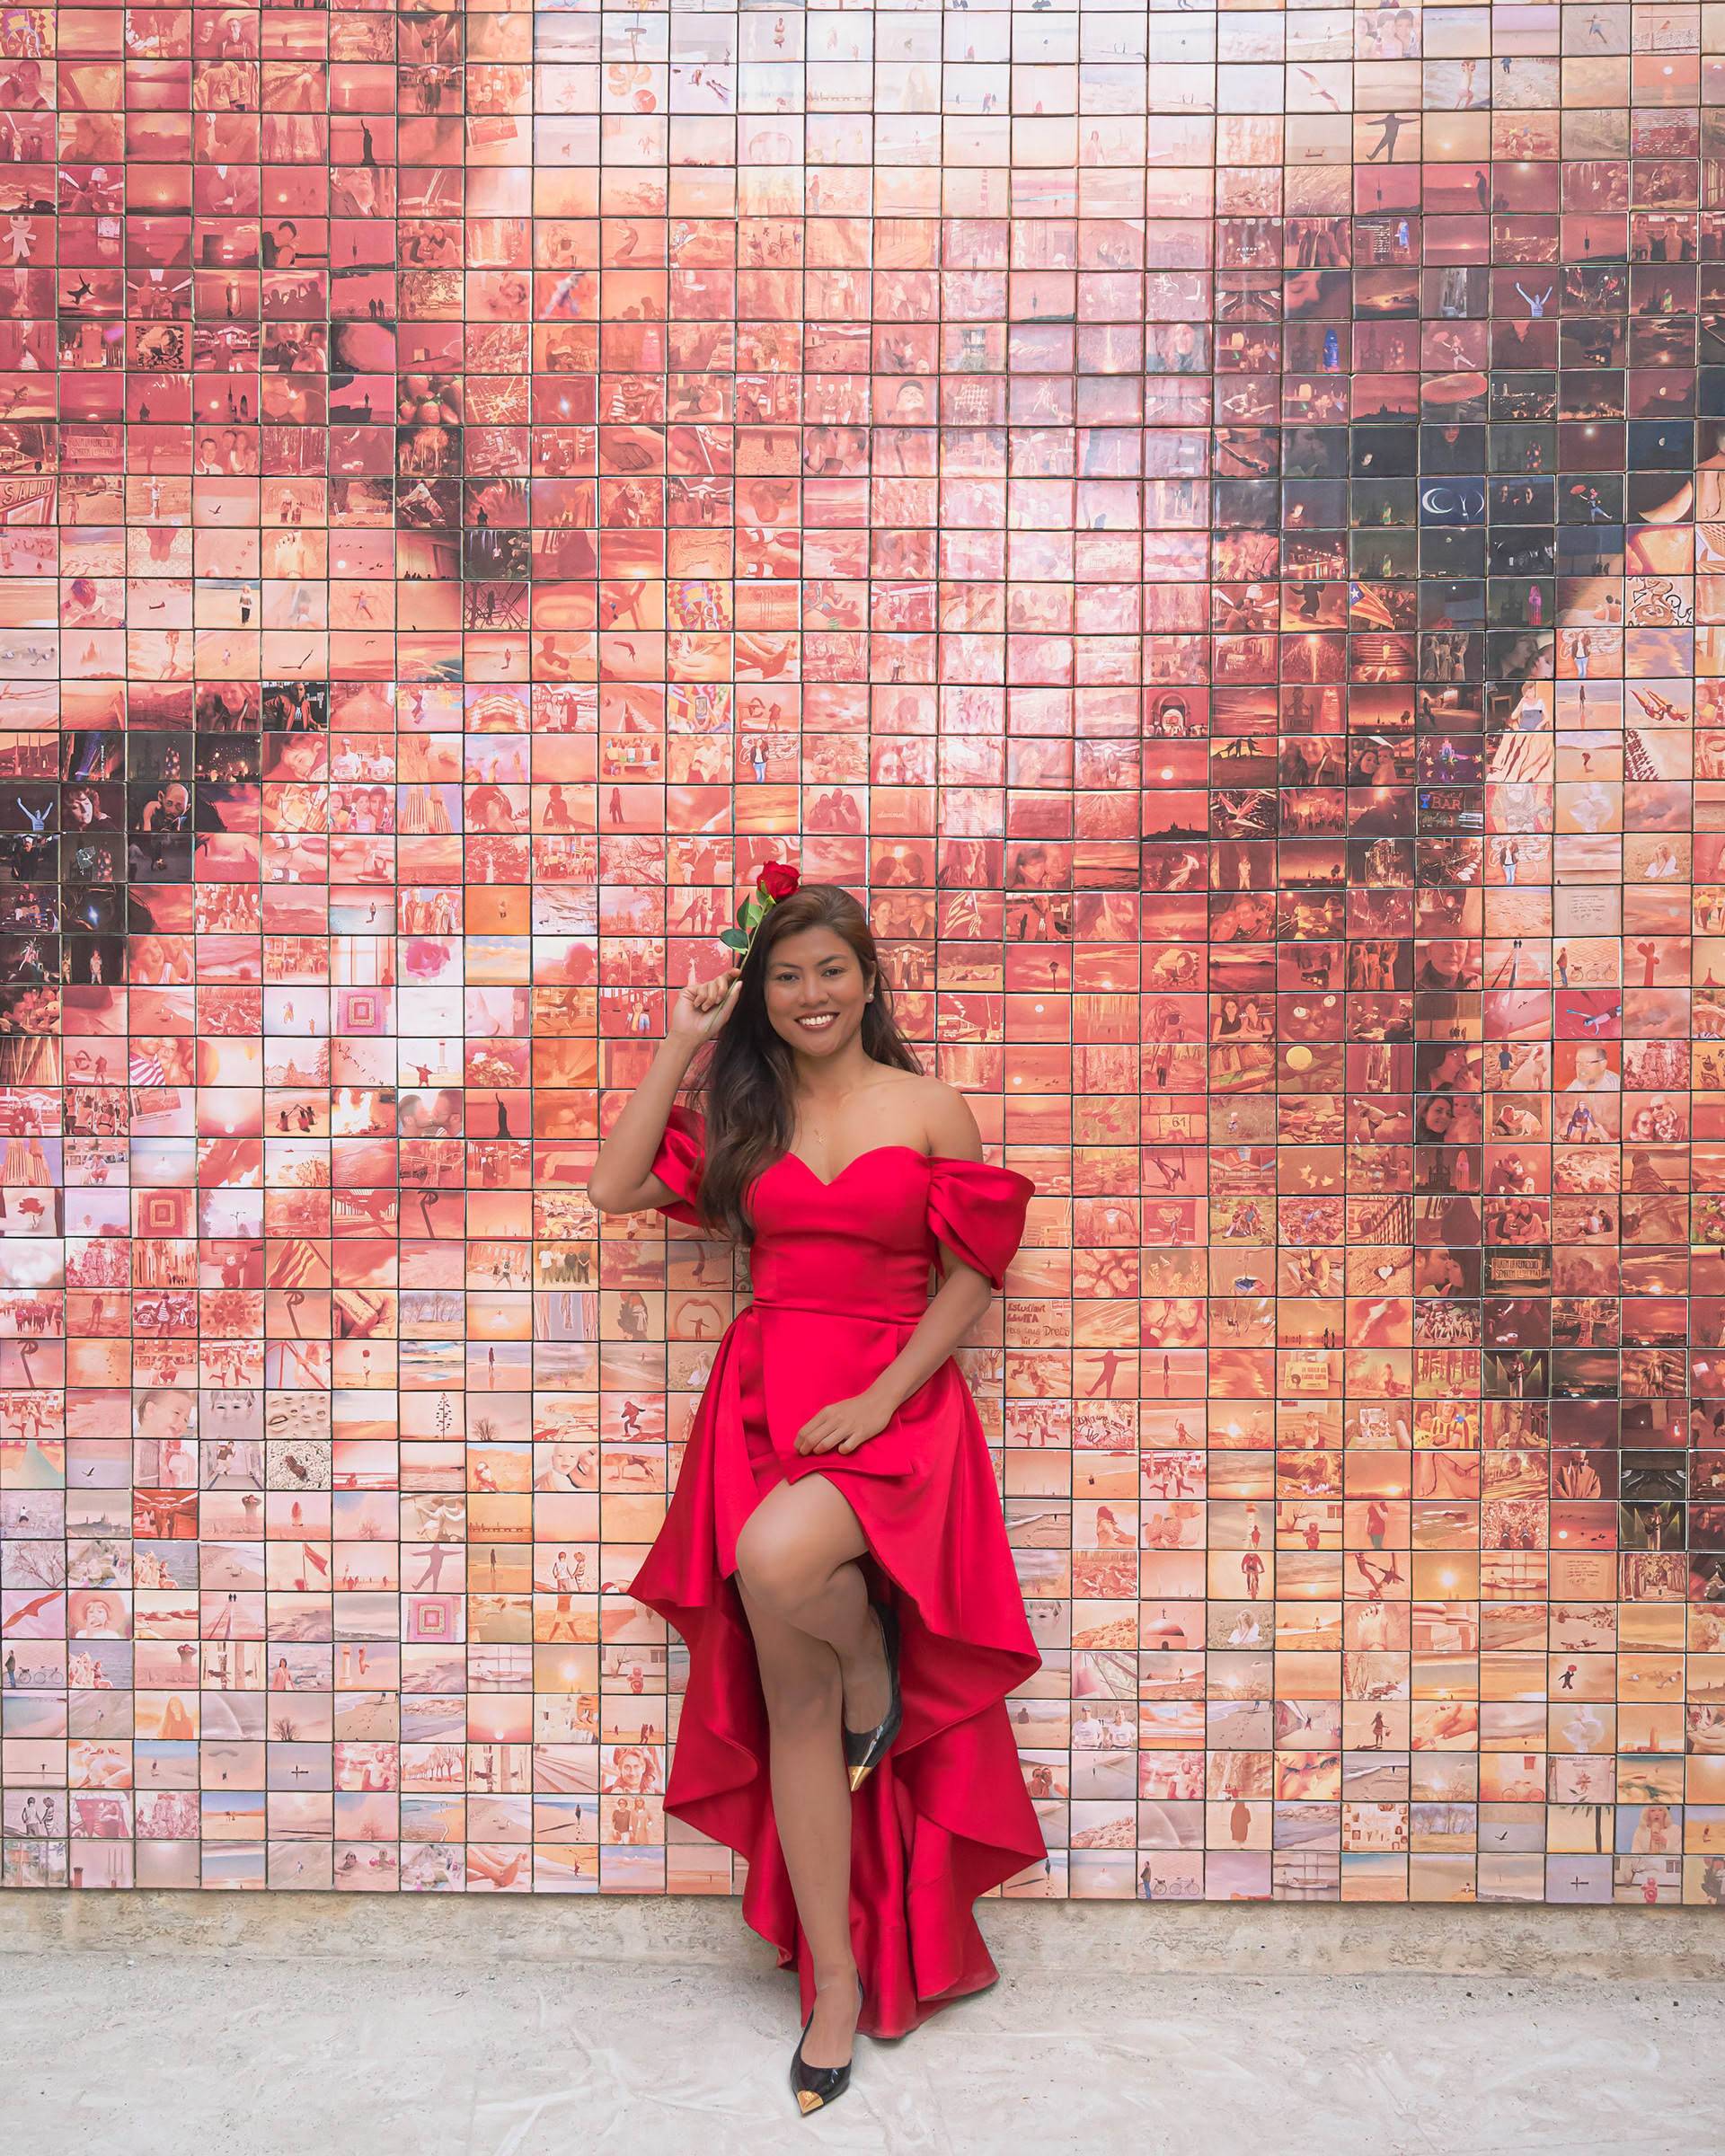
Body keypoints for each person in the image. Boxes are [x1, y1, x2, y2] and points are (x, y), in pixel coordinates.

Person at [588, 876, 1042, 2114]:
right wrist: (684, 1039)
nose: (810, 995)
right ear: (762, 993)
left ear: (869, 978)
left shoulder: (929, 1105)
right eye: (785, 977)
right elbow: (612, 1187)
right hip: (765, 1395)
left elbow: (975, 1273)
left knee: (779, 1562)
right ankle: (833, 1984)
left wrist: (888, 1392)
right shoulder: (745, 1109)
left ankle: (871, 1674)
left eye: (830, 971)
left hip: (891, 1405)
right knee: (790, 1701)